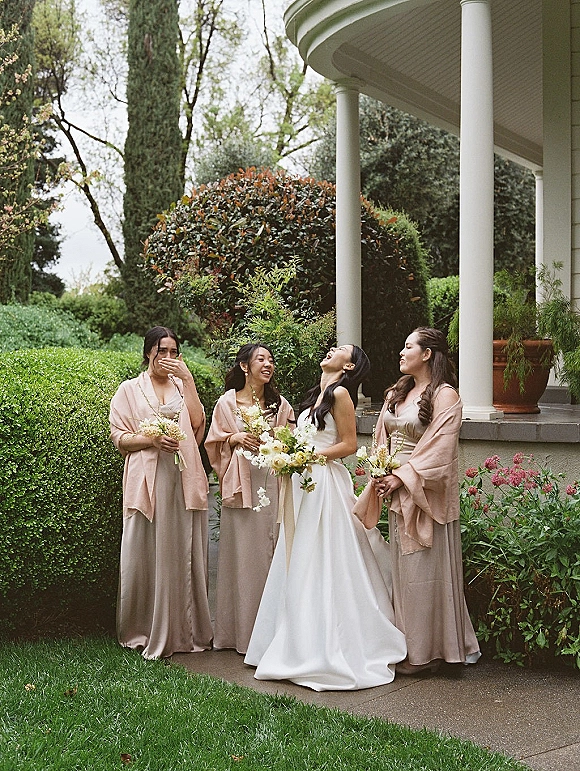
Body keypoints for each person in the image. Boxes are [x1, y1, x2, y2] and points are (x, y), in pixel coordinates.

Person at [244, 345, 407, 691]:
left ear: (348, 366)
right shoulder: (315, 395)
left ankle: (329, 644)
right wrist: (287, 453)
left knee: (321, 555)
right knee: (298, 553)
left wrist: (308, 456)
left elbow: (349, 444)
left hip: (324, 484)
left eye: (341, 350)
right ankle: (292, 637)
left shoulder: (341, 394)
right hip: (303, 483)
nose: (332, 349)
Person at [354, 327, 481, 674]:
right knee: (403, 574)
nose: (401, 351)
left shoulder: (445, 396)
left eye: (408, 346)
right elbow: (381, 436)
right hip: (397, 490)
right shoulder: (397, 392)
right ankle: (408, 646)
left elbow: (441, 450)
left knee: (425, 572)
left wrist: (402, 476)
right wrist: (381, 470)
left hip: (425, 494)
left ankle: (429, 652)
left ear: (426, 354)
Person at [109, 326, 213, 659]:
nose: (167, 357)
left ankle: (186, 630)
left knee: (181, 547)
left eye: (173, 352)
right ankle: (142, 628)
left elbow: (197, 426)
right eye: (161, 351)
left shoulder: (182, 386)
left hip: (183, 475)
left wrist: (189, 380)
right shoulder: (129, 390)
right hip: (148, 479)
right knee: (145, 549)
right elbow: (120, 438)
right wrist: (151, 440)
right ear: (148, 353)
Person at [205, 343, 294, 654]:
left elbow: (290, 442)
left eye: (271, 359)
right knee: (241, 558)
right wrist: (235, 437)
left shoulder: (280, 405)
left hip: (271, 485)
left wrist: (277, 444)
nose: (268, 364)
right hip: (240, 488)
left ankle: (272, 633)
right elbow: (213, 443)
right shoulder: (226, 404)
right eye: (261, 359)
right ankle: (238, 634)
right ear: (245, 366)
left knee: (270, 552)